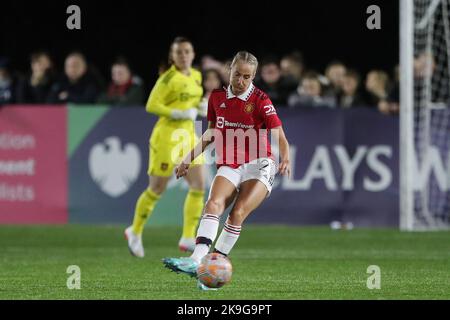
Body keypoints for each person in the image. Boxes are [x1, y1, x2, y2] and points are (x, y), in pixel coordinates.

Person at [162, 51, 291, 290]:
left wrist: (286, 158)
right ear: (229, 70)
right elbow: (211, 132)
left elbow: (280, 135)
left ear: (253, 77)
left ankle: (214, 268)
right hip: (230, 163)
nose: (241, 81)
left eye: (247, 77)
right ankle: (196, 260)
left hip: (259, 164)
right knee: (213, 204)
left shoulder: (261, 100)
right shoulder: (217, 97)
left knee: (238, 212)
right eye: (237, 74)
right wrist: (187, 159)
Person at [125, 37, 206, 257]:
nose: (183, 55)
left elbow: (191, 102)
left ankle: (188, 237)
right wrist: (177, 112)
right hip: (166, 136)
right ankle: (135, 231)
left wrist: (202, 106)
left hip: (188, 134)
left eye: (187, 51)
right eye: (179, 52)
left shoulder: (197, 76)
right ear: (173, 56)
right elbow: (151, 104)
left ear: (193, 53)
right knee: (157, 188)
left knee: (199, 184)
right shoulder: (168, 78)